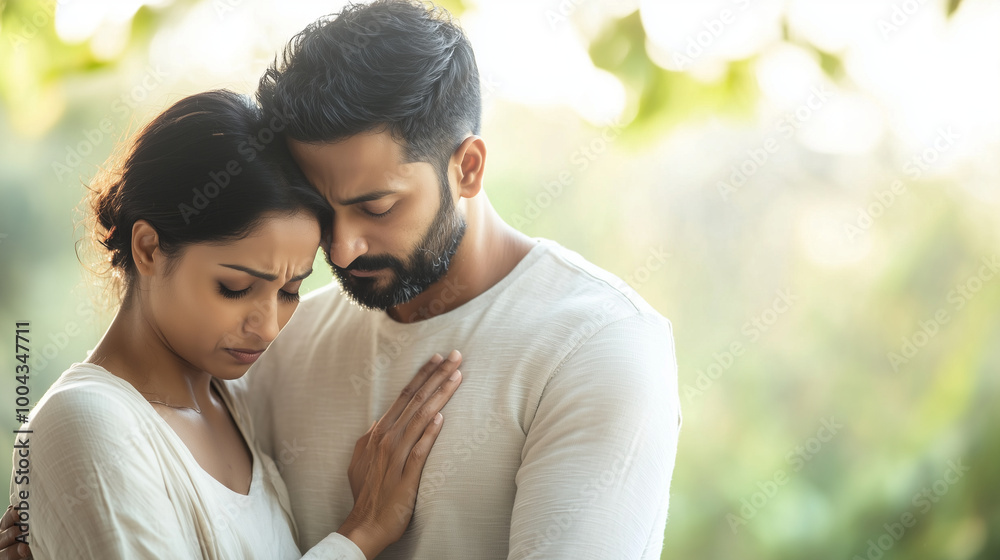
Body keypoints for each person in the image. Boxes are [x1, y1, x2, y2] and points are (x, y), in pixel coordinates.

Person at [239, 2, 682, 558]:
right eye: (321, 211)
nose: (343, 248)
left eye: (376, 207)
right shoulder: (275, 342)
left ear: (467, 167)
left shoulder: (597, 344)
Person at [2, 90, 464, 560]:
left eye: (290, 292)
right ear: (148, 249)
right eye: (235, 287)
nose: (268, 328)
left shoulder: (236, 400)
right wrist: (361, 534)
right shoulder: (87, 420)